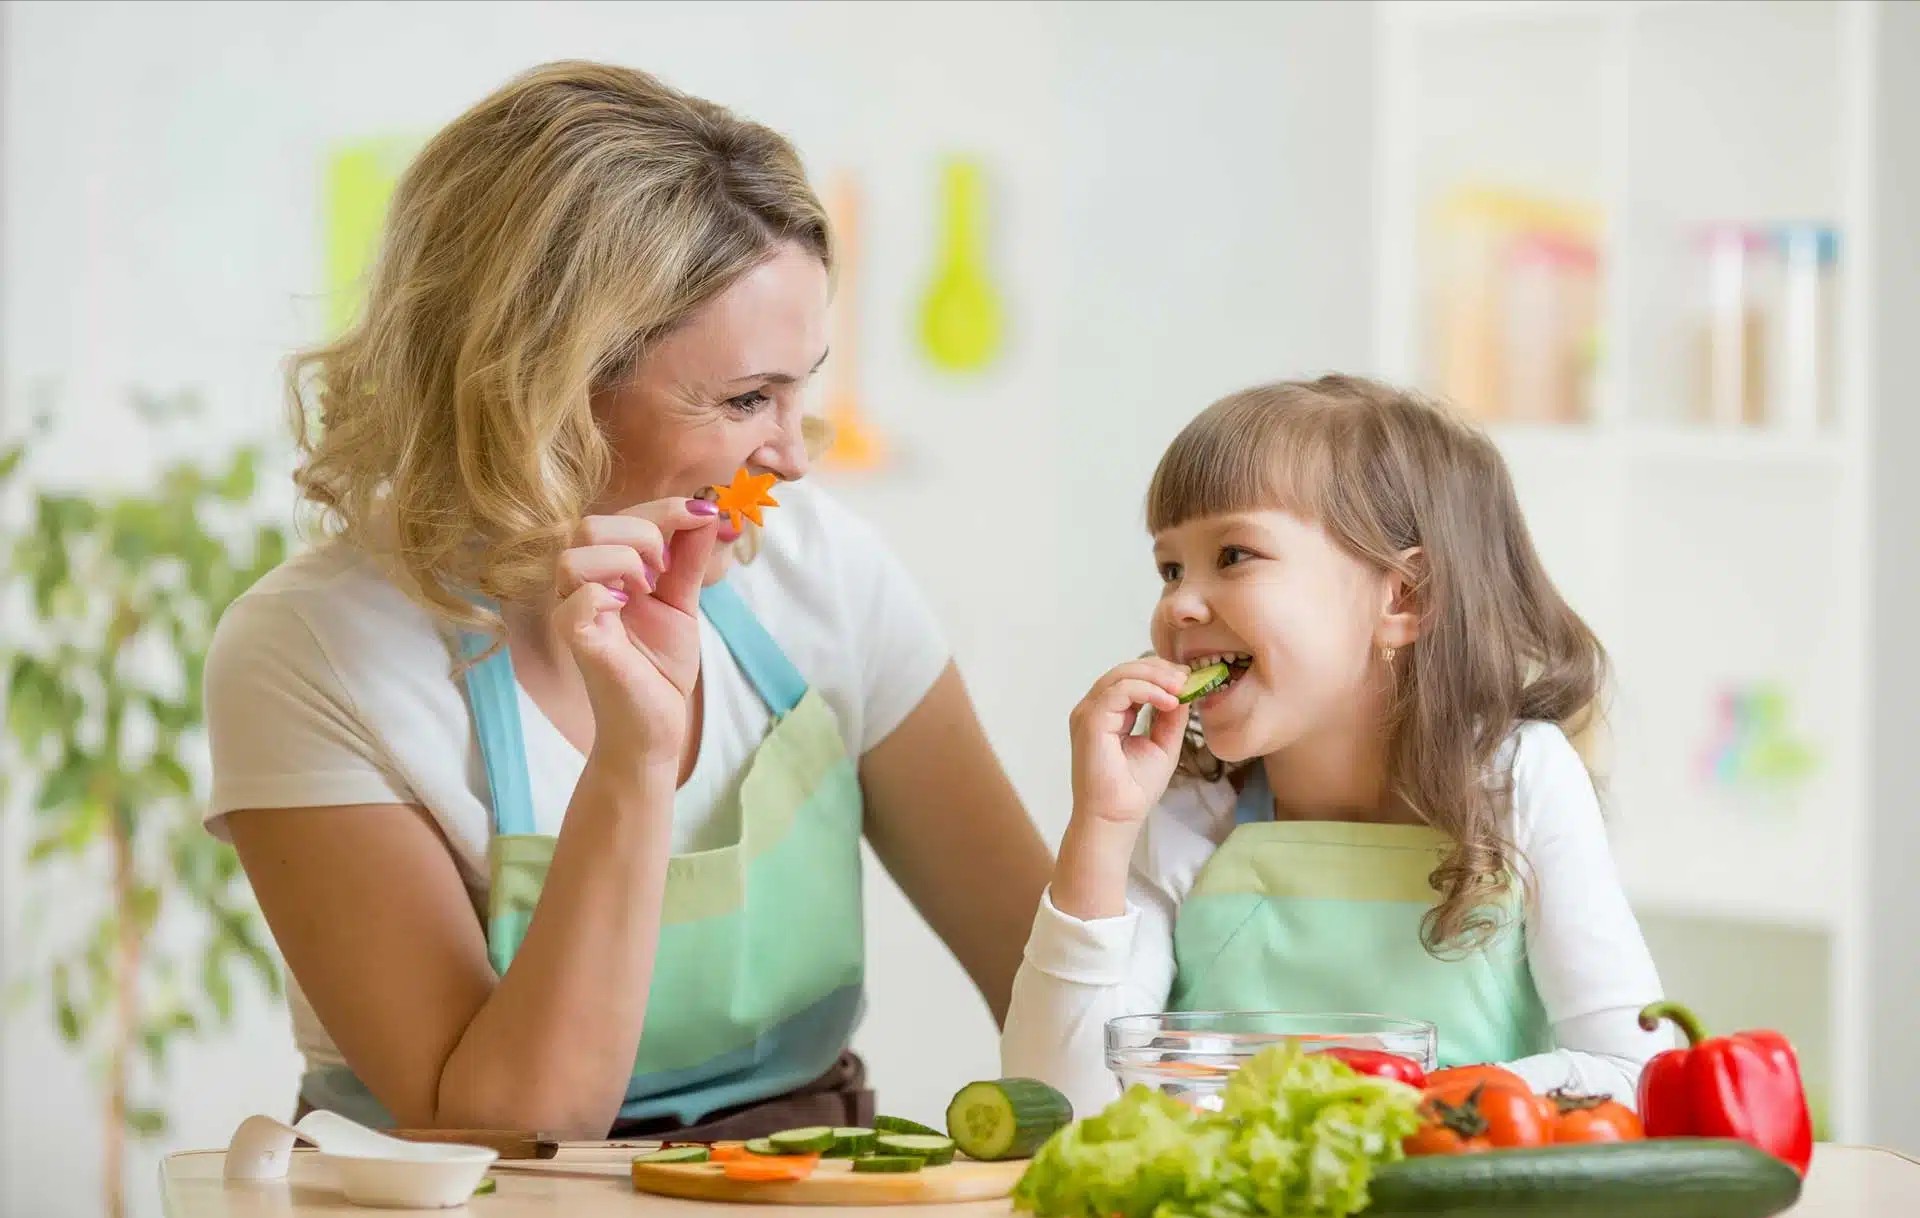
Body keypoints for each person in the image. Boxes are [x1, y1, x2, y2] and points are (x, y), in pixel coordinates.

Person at [205, 60, 1051, 1141]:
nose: (792, 458)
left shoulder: (824, 570)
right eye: (748, 399)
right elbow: (504, 1126)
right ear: (542, 389)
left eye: (802, 388)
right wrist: (633, 761)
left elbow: (1047, 987)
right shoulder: (311, 651)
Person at [1001, 375, 1668, 1116]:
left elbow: (1633, 1072)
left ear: (1402, 599)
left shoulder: (1520, 781)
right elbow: (1058, 1101)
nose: (1179, 606)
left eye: (1233, 555)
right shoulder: (1189, 813)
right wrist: (1101, 828)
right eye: (1170, 568)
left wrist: (1395, 1103)